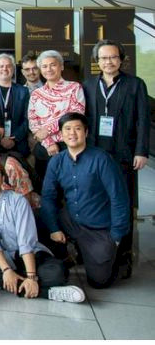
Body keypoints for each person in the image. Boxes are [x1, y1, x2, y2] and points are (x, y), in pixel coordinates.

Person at [0, 159, 85, 303]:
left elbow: (25, 240)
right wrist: (6, 270)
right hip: (4, 259)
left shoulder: (18, 201)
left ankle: (15, 283)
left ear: (3, 178)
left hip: (29, 256)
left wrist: (31, 276)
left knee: (58, 272)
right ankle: (48, 293)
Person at [40, 113, 130, 289]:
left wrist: (116, 237)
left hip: (98, 227)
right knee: (36, 218)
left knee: (99, 281)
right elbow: (48, 197)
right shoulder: (57, 161)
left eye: (78, 128)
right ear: (61, 134)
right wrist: (54, 228)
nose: (72, 133)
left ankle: (116, 257)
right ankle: (68, 254)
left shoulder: (101, 159)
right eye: (67, 129)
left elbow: (119, 197)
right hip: (71, 219)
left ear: (86, 132)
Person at [83, 39, 150, 278]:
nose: (108, 62)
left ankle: (123, 259)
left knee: (122, 204)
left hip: (124, 154)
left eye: (112, 57)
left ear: (121, 60)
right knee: (97, 203)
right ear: (97, 61)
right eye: (103, 58)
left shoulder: (135, 85)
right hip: (95, 154)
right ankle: (98, 253)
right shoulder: (89, 85)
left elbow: (143, 119)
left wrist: (141, 150)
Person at [28, 50, 85, 180]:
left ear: (61, 66)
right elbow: (33, 122)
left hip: (69, 147)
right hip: (45, 149)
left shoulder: (74, 88)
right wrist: (48, 143)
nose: (49, 69)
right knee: (46, 190)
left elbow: (75, 116)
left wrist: (47, 130)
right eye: (44, 66)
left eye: (53, 65)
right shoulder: (36, 94)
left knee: (70, 190)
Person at [0, 54, 30, 158]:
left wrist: (14, 138)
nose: (5, 69)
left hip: (18, 143)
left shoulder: (23, 91)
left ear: (13, 69)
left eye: (8, 66)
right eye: (1, 66)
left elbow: (28, 119)